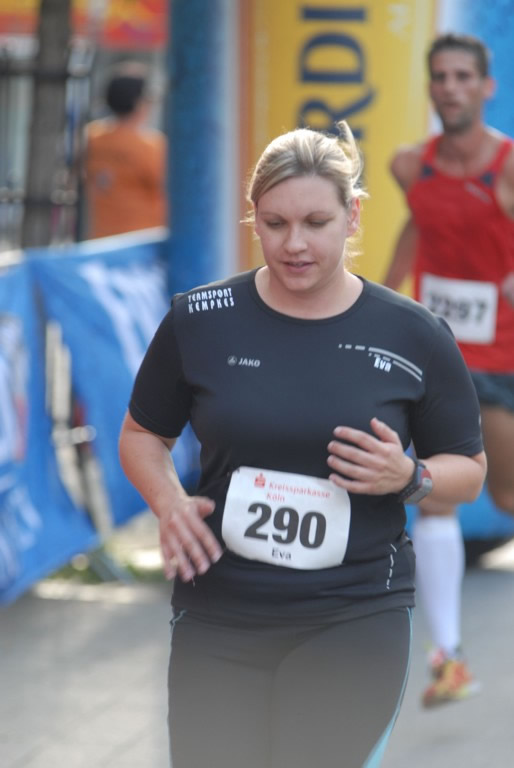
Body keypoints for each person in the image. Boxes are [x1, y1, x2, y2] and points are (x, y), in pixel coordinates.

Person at [119, 121, 486, 768]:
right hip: (219, 613)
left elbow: (470, 471)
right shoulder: (199, 320)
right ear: (253, 217)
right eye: (275, 223)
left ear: (353, 216)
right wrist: (169, 503)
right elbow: (143, 434)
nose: (294, 244)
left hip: (354, 615)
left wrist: (409, 477)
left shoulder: (414, 335)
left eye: (316, 222)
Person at [384, 32, 514, 708]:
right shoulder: (411, 165)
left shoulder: (507, 168)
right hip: (439, 355)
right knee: (432, 493)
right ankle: (449, 658)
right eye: (440, 76)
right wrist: (379, 296)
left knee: (506, 496)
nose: (451, 87)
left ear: (486, 87)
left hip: (502, 356)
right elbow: (418, 225)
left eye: (464, 76)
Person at [84, 61, 167, 239]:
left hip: (100, 238)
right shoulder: (151, 147)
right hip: (143, 240)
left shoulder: (91, 137)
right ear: (139, 103)